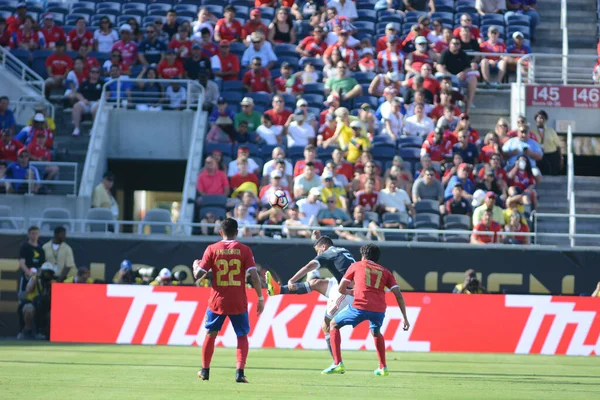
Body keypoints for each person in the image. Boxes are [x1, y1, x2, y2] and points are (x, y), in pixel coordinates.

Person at [192, 218, 264, 383]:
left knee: (211, 334)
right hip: (238, 300)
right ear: (237, 232)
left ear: (220, 232)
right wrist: (260, 297)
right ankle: (239, 373)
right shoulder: (244, 250)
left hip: (217, 301)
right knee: (242, 335)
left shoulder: (212, 249)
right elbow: (254, 276)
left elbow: (198, 276)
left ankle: (205, 371)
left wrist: (195, 265)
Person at [266, 233, 357, 359]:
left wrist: (292, 280)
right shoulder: (341, 250)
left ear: (324, 247)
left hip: (347, 292)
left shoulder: (328, 254)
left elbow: (309, 266)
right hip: (344, 285)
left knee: (326, 326)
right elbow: (325, 246)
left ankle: (337, 362)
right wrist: (319, 238)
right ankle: (278, 290)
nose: (318, 255)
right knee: (316, 283)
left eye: (318, 251)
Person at [323, 244, 409, 375]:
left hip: (360, 306)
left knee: (333, 324)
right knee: (376, 332)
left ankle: (337, 364)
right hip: (379, 310)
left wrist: (353, 292)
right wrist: (404, 317)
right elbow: (398, 295)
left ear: (363, 255)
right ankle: (383, 367)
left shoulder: (356, 265)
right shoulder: (385, 271)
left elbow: (341, 289)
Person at [437, 38, 477, 111]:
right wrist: (448, 74)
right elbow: (439, 66)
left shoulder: (463, 54)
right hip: (447, 76)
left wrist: (463, 73)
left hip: (460, 76)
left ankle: (469, 102)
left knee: (473, 79)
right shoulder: (445, 53)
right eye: (454, 43)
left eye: (458, 44)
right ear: (450, 44)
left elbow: (469, 67)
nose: (455, 45)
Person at [71, 67, 103, 137]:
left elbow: (107, 94)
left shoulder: (102, 83)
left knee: (97, 108)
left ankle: (93, 129)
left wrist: (101, 100)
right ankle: (76, 128)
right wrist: (83, 100)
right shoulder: (85, 83)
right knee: (76, 106)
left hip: (96, 102)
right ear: (89, 73)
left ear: (99, 74)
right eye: (92, 72)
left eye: (96, 72)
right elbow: (78, 93)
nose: (94, 74)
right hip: (86, 102)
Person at [18, 226, 44, 303]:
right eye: (32, 233)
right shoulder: (25, 246)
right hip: (27, 276)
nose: (34, 235)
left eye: (36, 233)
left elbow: (43, 263)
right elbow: (22, 262)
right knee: (23, 296)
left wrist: (37, 274)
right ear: (28, 234)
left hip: (38, 277)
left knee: (37, 297)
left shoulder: (41, 247)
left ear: (38, 234)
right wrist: (28, 273)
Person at [533, 110, 563, 176]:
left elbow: (558, 146)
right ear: (536, 119)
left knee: (552, 174)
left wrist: (561, 158)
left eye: (543, 118)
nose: (541, 120)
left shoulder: (551, 131)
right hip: (538, 155)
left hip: (551, 156)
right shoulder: (532, 132)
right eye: (539, 118)